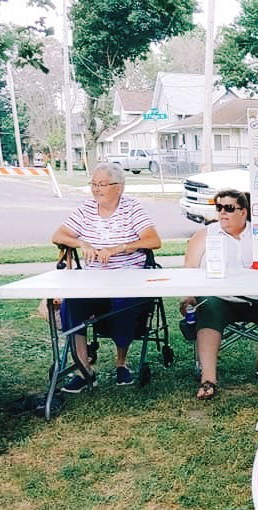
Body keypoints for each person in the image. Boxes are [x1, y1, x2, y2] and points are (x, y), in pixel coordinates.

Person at [51, 163, 162, 392]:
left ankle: (121, 363)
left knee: (124, 304)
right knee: (71, 303)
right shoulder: (87, 208)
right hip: (92, 280)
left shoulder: (132, 208)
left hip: (127, 278)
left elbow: (153, 241)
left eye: (101, 184)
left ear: (118, 187)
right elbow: (58, 235)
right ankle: (84, 369)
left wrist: (122, 247)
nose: (95, 189)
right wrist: (81, 242)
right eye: (93, 184)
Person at [180, 189, 258, 400]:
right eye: (219, 207)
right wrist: (187, 297)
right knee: (208, 309)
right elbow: (189, 268)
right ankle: (208, 379)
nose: (222, 213)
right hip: (220, 299)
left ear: (243, 212)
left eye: (229, 208)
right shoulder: (205, 234)